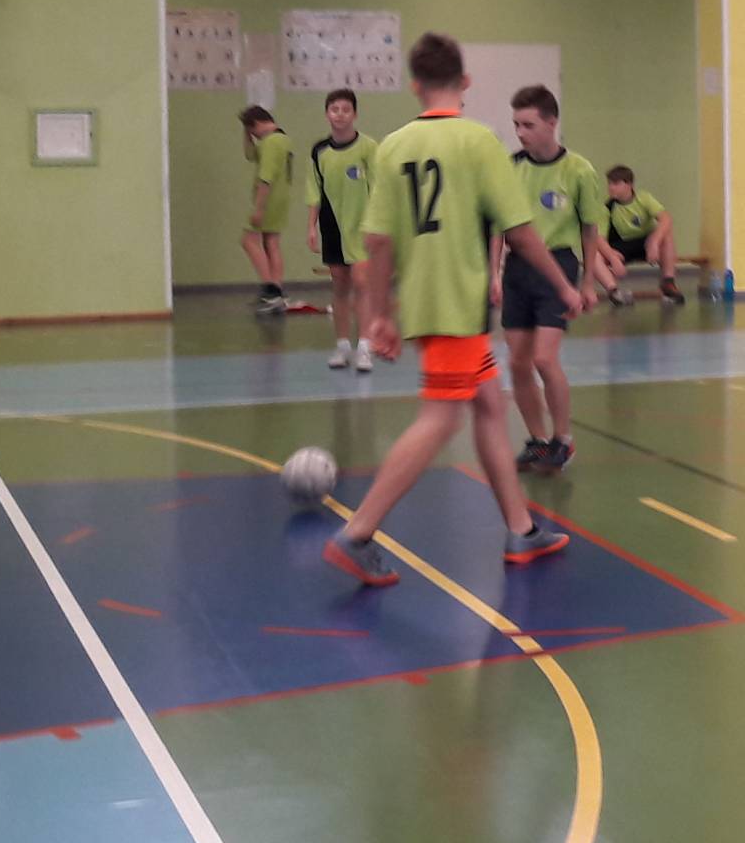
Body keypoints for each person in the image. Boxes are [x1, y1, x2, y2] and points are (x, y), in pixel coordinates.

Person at [324, 34, 577, 587]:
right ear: (465, 82)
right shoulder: (479, 141)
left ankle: (521, 529)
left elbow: (377, 242)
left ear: (414, 85)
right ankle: (358, 532)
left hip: (424, 301)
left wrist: (378, 314)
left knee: (488, 405)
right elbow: (520, 230)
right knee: (439, 419)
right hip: (456, 304)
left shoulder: (392, 146)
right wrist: (564, 284)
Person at [494, 86, 607, 472]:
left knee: (544, 357)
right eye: (516, 125)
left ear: (552, 123)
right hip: (517, 269)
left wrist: (588, 283)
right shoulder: (510, 168)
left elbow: (590, 230)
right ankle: (538, 440)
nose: (520, 133)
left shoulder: (579, 170)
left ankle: (563, 439)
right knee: (518, 363)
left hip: (557, 265)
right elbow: (497, 227)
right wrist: (494, 274)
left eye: (528, 125)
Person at [308, 88, 375, 371]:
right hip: (332, 225)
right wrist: (311, 226)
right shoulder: (319, 151)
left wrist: (379, 227)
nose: (340, 115)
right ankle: (342, 346)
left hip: (362, 226)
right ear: (327, 114)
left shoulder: (368, 148)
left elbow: (380, 189)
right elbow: (314, 190)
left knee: (362, 283)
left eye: (346, 110)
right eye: (334, 109)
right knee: (340, 285)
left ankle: (365, 347)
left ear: (355, 114)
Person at [596, 165, 686, 307]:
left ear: (629, 185)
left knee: (666, 236)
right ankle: (614, 292)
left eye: (616, 183)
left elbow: (666, 219)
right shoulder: (607, 208)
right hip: (623, 246)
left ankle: (668, 283)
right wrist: (612, 258)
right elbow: (599, 239)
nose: (611, 187)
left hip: (646, 243)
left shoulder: (644, 198)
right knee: (594, 255)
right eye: (610, 183)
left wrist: (654, 241)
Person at [238, 105, 293, 313]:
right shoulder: (283, 140)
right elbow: (251, 155)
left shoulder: (270, 143)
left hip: (268, 199)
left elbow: (265, 177)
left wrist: (259, 208)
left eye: (252, 131)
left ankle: (269, 289)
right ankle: (277, 288)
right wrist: (246, 133)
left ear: (258, 124)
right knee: (271, 243)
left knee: (248, 240)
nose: (253, 136)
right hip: (282, 199)